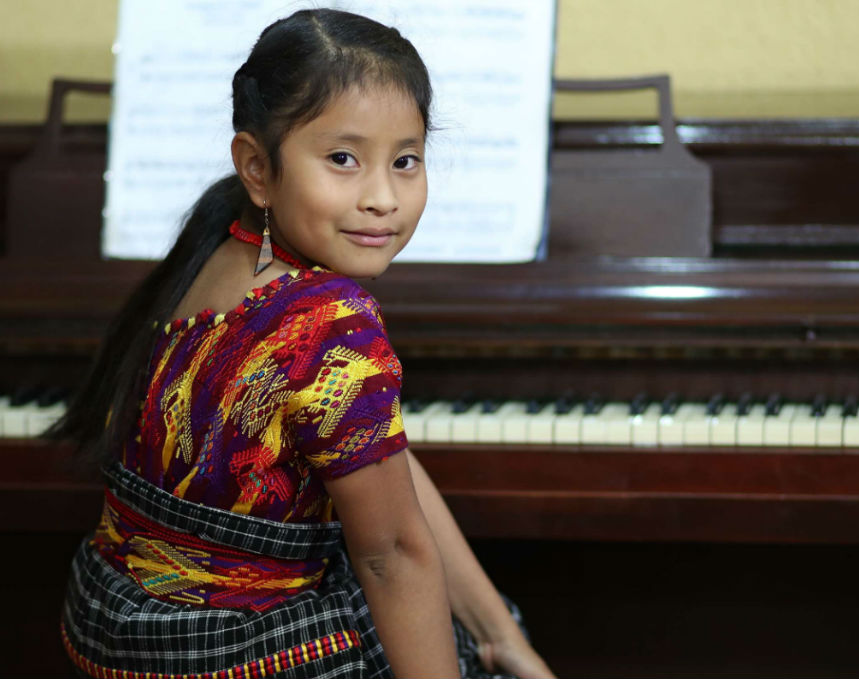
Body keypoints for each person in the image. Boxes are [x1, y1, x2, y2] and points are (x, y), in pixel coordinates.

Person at [48, 8, 556, 679]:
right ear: (258, 167)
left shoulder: (215, 246)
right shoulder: (330, 320)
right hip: (233, 655)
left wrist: (499, 632)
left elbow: (379, 471)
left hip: (117, 631)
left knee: (479, 630)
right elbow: (393, 553)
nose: (382, 196)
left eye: (406, 160)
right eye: (343, 159)